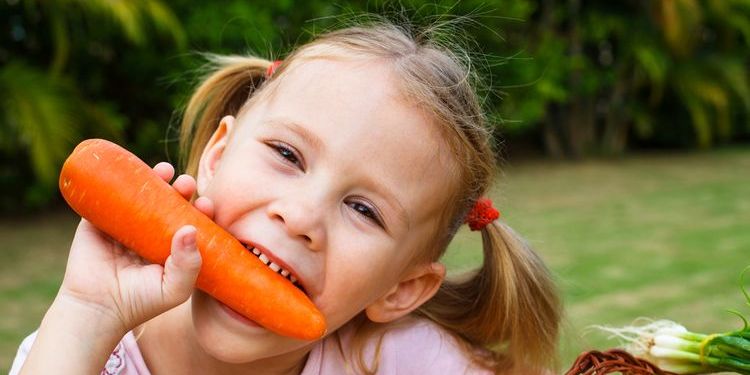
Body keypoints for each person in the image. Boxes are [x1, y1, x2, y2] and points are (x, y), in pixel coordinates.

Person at [11, 20, 561, 375]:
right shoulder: (75, 351)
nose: (300, 217)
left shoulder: (400, 362)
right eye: (288, 155)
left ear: (401, 288)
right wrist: (88, 311)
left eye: (364, 210)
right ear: (218, 155)